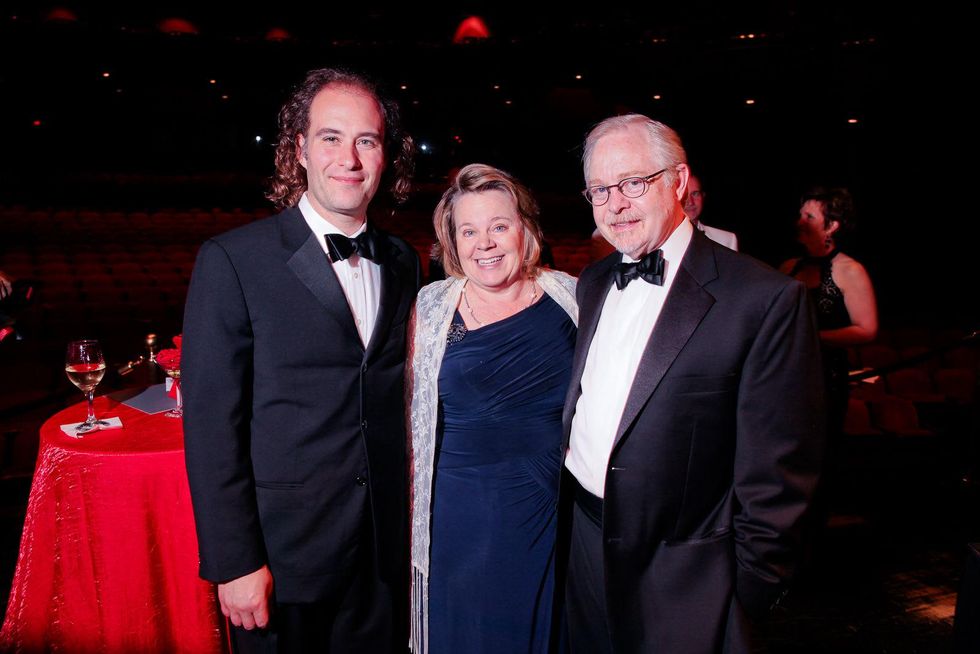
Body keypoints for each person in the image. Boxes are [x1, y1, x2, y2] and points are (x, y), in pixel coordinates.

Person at [562, 114, 825, 653]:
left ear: (679, 182)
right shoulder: (590, 283)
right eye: (600, 190)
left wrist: (743, 594)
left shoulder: (764, 300)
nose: (616, 203)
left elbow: (780, 477)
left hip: (688, 580)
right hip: (583, 554)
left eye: (633, 182)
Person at [182, 67, 420, 653]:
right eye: (331, 138)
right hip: (284, 562)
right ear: (300, 151)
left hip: (383, 556)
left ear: (385, 156)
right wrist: (234, 562)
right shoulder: (233, 260)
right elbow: (212, 428)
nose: (350, 158)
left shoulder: (404, 260)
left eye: (367, 140)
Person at [407, 163, 578, 653]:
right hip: (463, 512)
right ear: (453, 242)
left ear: (525, 229)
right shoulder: (429, 308)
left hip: (554, 506)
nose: (485, 243)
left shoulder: (572, 296)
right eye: (469, 231)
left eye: (499, 226)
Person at [780, 187, 878, 435]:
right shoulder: (789, 267)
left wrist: (814, 337)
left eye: (809, 217)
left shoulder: (850, 270)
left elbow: (867, 330)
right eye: (800, 215)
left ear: (832, 225)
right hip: (787, 373)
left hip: (826, 376)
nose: (799, 222)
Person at [683, 173, 739, 250]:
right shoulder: (663, 239)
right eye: (685, 195)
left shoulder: (727, 240)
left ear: (703, 196)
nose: (690, 202)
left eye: (695, 194)